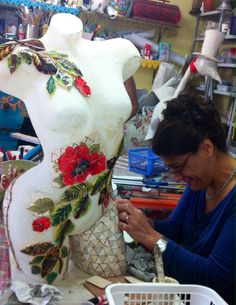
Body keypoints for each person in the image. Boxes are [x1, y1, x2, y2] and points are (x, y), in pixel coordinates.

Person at [0, 13, 141, 283]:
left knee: (110, 287)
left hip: (101, 204)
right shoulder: (20, 58)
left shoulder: (118, 51)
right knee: (50, 298)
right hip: (43, 210)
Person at [116, 94, 235, 305]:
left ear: (206, 148)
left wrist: (152, 238)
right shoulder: (200, 181)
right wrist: (142, 224)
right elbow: (175, 229)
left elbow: (216, 277)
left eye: (178, 167)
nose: (178, 178)